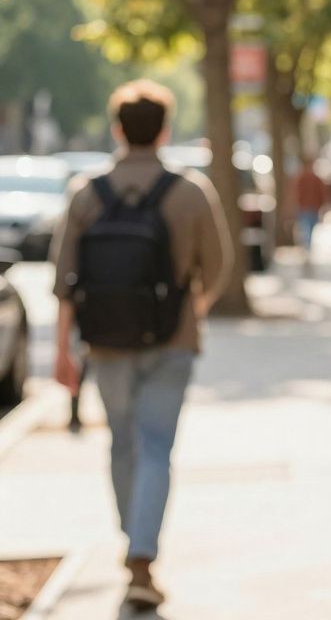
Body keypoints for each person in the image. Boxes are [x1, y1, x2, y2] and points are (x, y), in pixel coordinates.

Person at [50, 79, 232, 609]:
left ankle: (133, 538)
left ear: (117, 130)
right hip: (172, 341)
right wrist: (189, 310)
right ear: (166, 131)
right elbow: (217, 267)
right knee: (156, 446)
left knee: (122, 443)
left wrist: (63, 350)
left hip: (105, 344)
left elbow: (64, 279)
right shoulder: (191, 192)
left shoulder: (86, 192)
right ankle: (143, 555)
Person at [293, 154, 330, 262]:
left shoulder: (303, 177)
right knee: (308, 229)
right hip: (309, 207)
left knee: (306, 229)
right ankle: (307, 248)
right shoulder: (310, 178)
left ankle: (307, 248)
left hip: (307, 207)